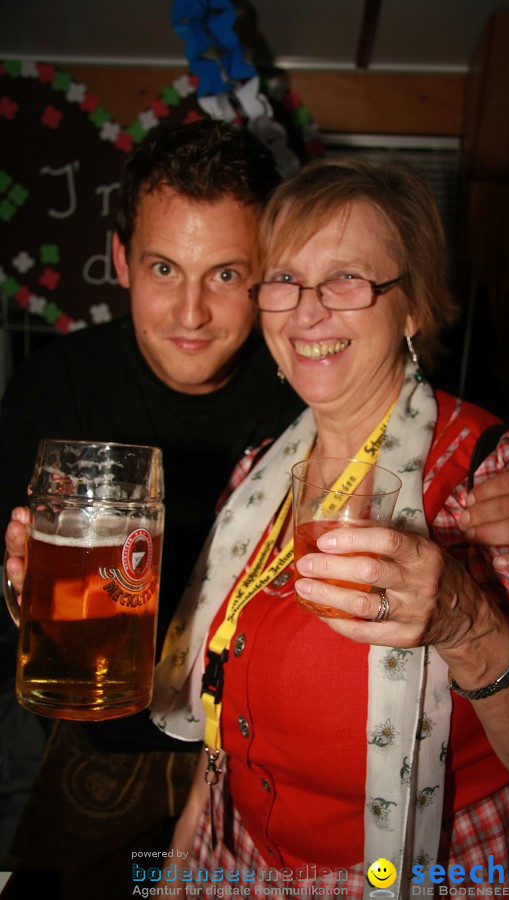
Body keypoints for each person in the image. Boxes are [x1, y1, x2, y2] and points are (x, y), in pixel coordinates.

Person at [148, 156, 509, 896]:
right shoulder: (261, 471)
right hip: (239, 863)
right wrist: (175, 871)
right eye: (286, 279)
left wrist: (467, 626)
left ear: (414, 306)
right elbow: (224, 712)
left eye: (348, 279)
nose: (307, 312)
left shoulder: (507, 478)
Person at [0, 119, 304, 900]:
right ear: (120, 260)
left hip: (259, 755)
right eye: (165, 267)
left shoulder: (315, 391)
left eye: (228, 275)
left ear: (269, 273)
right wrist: (16, 591)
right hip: (94, 745)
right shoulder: (53, 389)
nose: (192, 312)